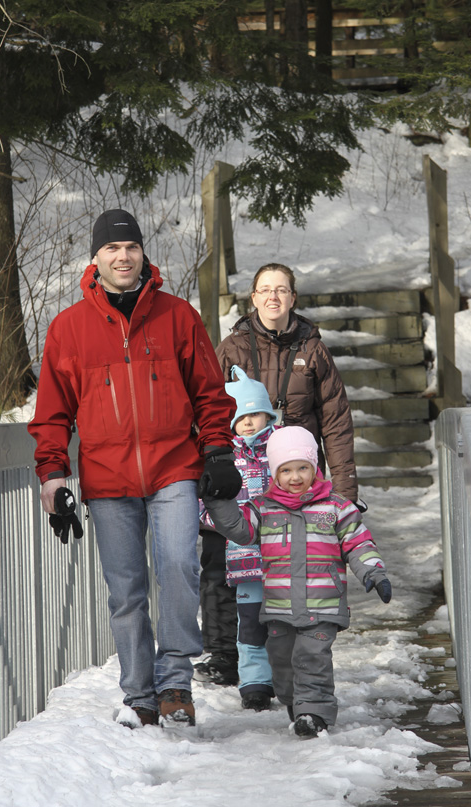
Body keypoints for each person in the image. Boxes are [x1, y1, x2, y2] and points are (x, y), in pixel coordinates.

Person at [28, 209, 241, 729]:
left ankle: (175, 683)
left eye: (131, 248)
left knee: (179, 569)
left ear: (143, 253)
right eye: (112, 249)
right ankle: (140, 695)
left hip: (174, 469)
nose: (123, 257)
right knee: (126, 591)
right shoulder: (69, 328)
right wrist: (52, 474)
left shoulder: (177, 316)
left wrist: (217, 450)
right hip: (107, 479)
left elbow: (210, 393)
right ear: (96, 258)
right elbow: (52, 412)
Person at [196, 262, 358, 688]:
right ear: (253, 298)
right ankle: (223, 655)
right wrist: (207, 473)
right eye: (265, 289)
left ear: (292, 297)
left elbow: (336, 424)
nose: (273, 296)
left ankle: (284, 659)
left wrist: (343, 493)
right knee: (219, 562)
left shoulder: (314, 350)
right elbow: (205, 408)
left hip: (294, 485)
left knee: (289, 571)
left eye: (281, 289)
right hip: (235, 473)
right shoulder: (231, 348)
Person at [201, 426, 392, 738]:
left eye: (303, 468)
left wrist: (374, 572)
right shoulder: (263, 508)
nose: (295, 477)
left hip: (323, 603)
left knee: (312, 658)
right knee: (282, 661)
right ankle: (296, 703)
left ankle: (314, 711)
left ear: (314, 467)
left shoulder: (335, 507)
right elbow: (238, 528)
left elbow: (358, 543)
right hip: (279, 605)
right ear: (275, 473)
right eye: (286, 470)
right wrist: (217, 499)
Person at [200, 366, 278, 711]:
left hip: (282, 555)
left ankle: (286, 676)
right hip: (242, 556)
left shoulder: (283, 449)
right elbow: (203, 500)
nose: (247, 423)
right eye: (239, 417)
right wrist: (218, 522)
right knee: (249, 620)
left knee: (283, 619)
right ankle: (255, 681)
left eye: (254, 414)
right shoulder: (223, 457)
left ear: (268, 415)